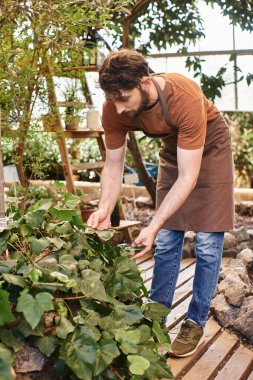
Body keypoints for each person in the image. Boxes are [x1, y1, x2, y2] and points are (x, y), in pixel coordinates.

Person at [87, 49, 234, 357]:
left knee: (207, 242)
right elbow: (113, 165)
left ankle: (194, 321)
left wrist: (152, 224)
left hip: (212, 147)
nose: (119, 107)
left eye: (124, 98)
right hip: (174, 150)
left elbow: (189, 176)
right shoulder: (114, 107)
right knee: (167, 242)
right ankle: (155, 318)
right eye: (113, 99)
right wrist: (104, 207)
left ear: (145, 82)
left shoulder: (184, 95)